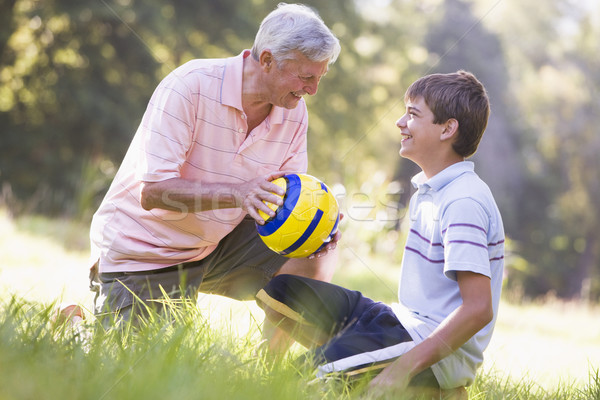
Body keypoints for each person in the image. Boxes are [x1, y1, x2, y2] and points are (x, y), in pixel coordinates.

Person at [88, 3, 341, 333]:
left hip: (218, 246)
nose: (313, 90)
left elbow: (287, 193)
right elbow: (152, 192)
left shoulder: (293, 111)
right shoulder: (190, 85)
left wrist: (318, 217)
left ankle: (268, 371)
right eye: (306, 77)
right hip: (147, 253)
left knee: (314, 248)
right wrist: (239, 193)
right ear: (267, 60)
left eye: (319, 78)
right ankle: (76, 320)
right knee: (154, 366)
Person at [256, 71, 504, 398]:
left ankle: (431, 387)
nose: (400, 122)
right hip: (399, 321)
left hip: (431, 345)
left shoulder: (463, 201)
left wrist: (401, 369)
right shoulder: (429, 191)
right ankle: (360, 360)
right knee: (279, 291)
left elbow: (478, 309)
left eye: (413, 115)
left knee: (302, 381)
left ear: (448, 128)